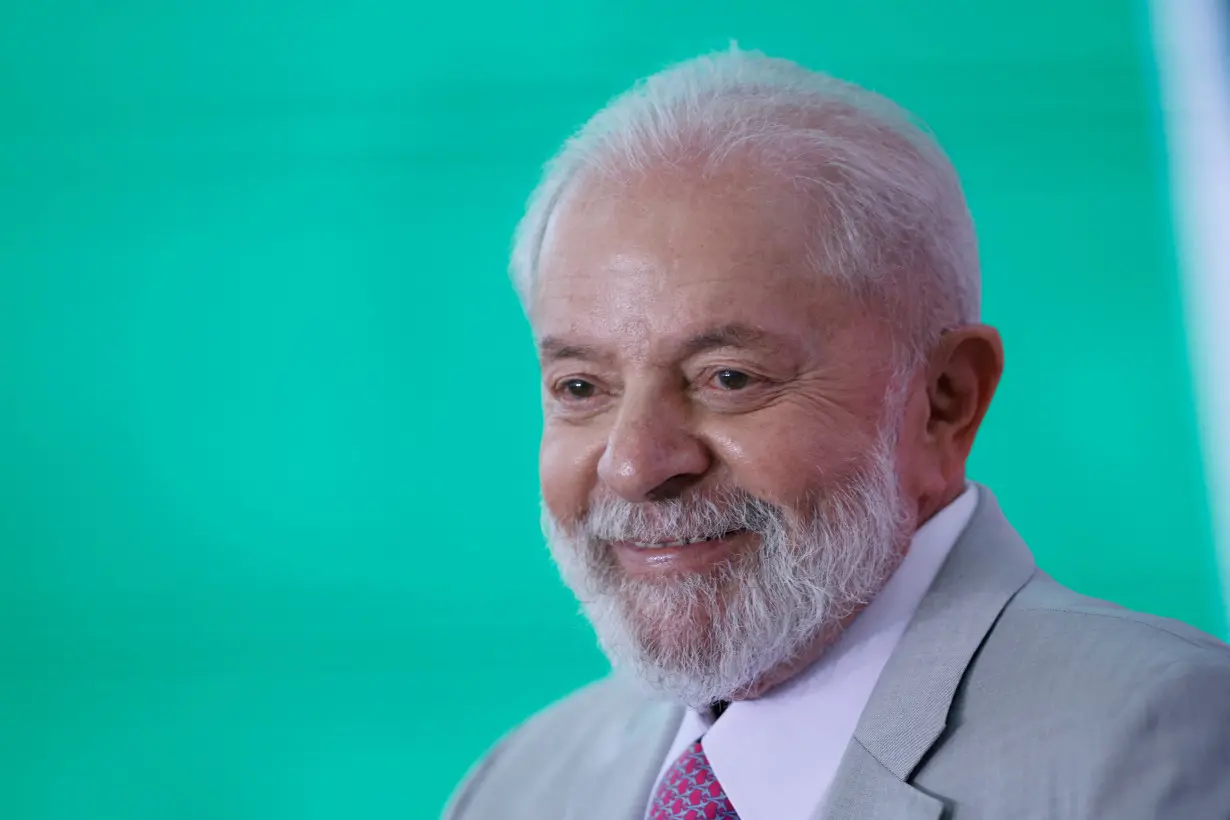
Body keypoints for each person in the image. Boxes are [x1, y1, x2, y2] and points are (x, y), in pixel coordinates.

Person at [444, 48, 1230, 819]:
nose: (634, 464)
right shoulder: (520, 785)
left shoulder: (1164, 743)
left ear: (944, 400)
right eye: (582, 388)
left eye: (729, 378)